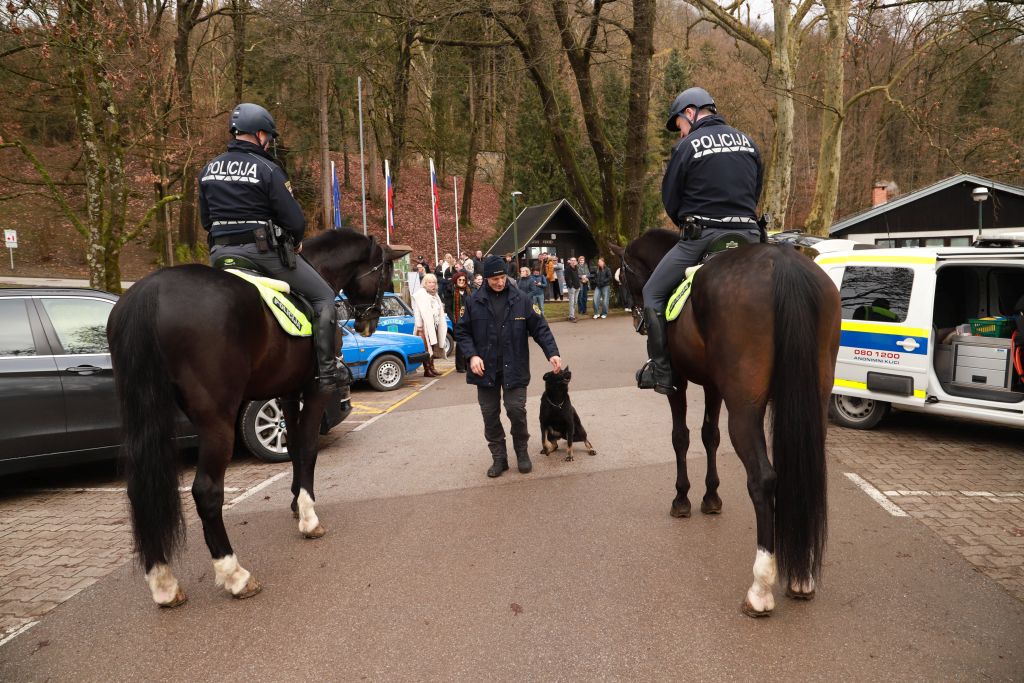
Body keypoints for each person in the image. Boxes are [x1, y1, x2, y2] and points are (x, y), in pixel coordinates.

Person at [201, 102, 340, 390]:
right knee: (323, 297)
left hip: (220, 255)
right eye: (268, 137)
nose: (268, 143)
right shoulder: (267, 168)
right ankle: (328, 373)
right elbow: (294, 220)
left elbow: (205, 219)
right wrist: (297, 243)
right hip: (260, 254)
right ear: (260, 134)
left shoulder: (208, 168)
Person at [638, 87, 763, 394]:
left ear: (690, 113)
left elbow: (672, 199)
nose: (680, 131)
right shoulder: (749, 143)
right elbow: (756, 189)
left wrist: (687, 221)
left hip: (703, 236)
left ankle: (662, 372)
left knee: (651, 292)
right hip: (750, 234)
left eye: (679, 123)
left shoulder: (688, 146)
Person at [455, 256, 561, 477]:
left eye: (503, 278)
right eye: (495, 279)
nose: (500, 282)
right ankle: (499, 458)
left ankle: (521, 452)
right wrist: (472, 356)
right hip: (485, 370)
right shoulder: (474, 302)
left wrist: (552, 353)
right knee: (490, 414)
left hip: (515, 366)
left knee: (515, 410)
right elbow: (462, 332)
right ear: (486, 279)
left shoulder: (521, 299)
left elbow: (540, 328)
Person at [412, 273, 447, 378]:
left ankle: (432, 368)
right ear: (425, 283)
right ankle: (427, 370)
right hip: (424, 326)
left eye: (433, 282)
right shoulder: (420, 294)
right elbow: (417, 311)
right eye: (429, 282)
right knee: (427, 348)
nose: (432, 284)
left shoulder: (435, 294)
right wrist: (419, 326)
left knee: (432, 346)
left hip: (434, 325)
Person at [445, 271, 473, 372]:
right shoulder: (451, 290)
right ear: (456, 280)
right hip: (457, 320)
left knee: (469, 341)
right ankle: (460, 366)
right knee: (460, 343)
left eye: (463, 280)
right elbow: (448, 308)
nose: (461, 281)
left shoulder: (469, 290)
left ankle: (467, 365)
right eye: (459, 280)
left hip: (468, 319)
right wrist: (454, 320)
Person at [564, 257, 581, 322]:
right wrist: (571, 286)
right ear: (570, 261)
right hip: (572, 288)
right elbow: (567, 279)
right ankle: (571, 316)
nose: (573, 261)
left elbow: (577, 276)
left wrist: (578, 285)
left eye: (574, 260)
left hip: (577, 287)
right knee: (572, 302)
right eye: (572, 260)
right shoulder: (567, 269)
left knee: (575, 302)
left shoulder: (576, 268)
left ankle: (572, 314)